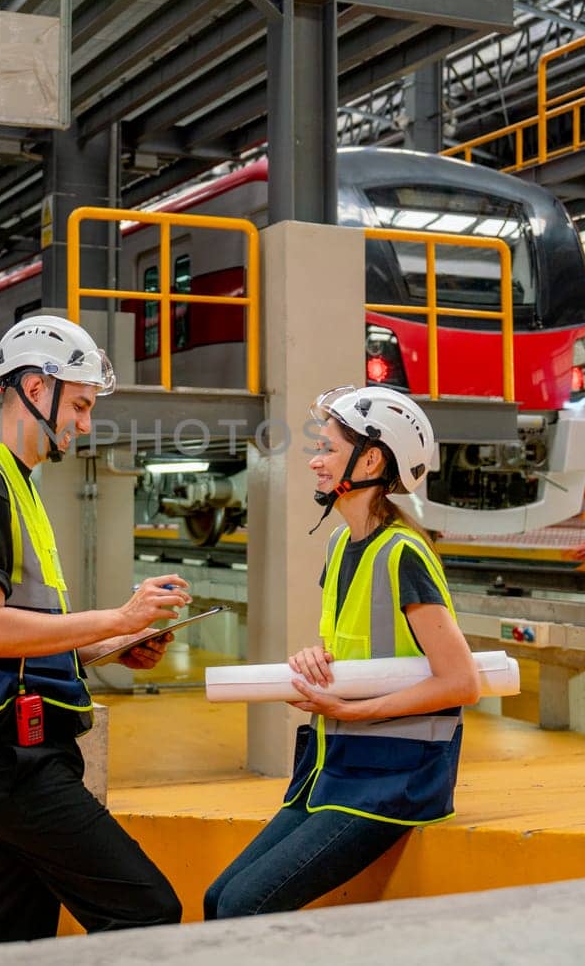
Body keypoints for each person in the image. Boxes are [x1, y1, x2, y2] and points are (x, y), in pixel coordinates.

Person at [0, 313, 189, 945]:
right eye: (82, 406)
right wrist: (119, 615)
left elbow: (28, 634)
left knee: (13, 934)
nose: (86, 425)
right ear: (37, 388)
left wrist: (115, 645)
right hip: (4, 752)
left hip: (13, 744)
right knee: (147, 912)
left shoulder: (16, 485)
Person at [203, 385, 481, 920]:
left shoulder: (403, 553)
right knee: (219, 899)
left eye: (328, 448)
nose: (315, 461)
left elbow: (460, 681)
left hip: (395, 781)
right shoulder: (341, 545)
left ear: (371, 458)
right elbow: (357, 651)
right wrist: (317, 659)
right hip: (336, 770)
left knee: (243, 905)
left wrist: (354, 711)